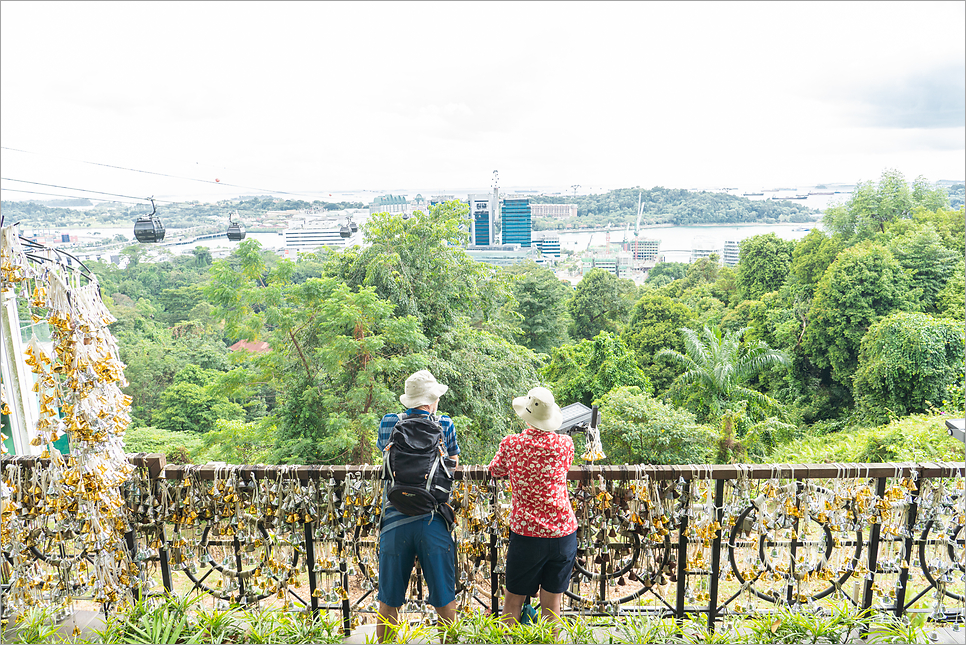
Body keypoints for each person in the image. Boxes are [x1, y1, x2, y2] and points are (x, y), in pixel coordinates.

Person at [376, 370, 460, 643]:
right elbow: (452, 464)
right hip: (431, 519)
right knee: (444, 598)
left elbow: (386, 457)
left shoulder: (389, 422)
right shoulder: (444, 423)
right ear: (432, 400)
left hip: (394, 517)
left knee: (389, 599)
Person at [487, 386, 578, 635]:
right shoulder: (564, 444)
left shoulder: (512, 444)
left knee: (512, 603)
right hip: (562, 533)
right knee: (552, 608)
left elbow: (496, 469)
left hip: (527, 534)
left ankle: (509, 642)